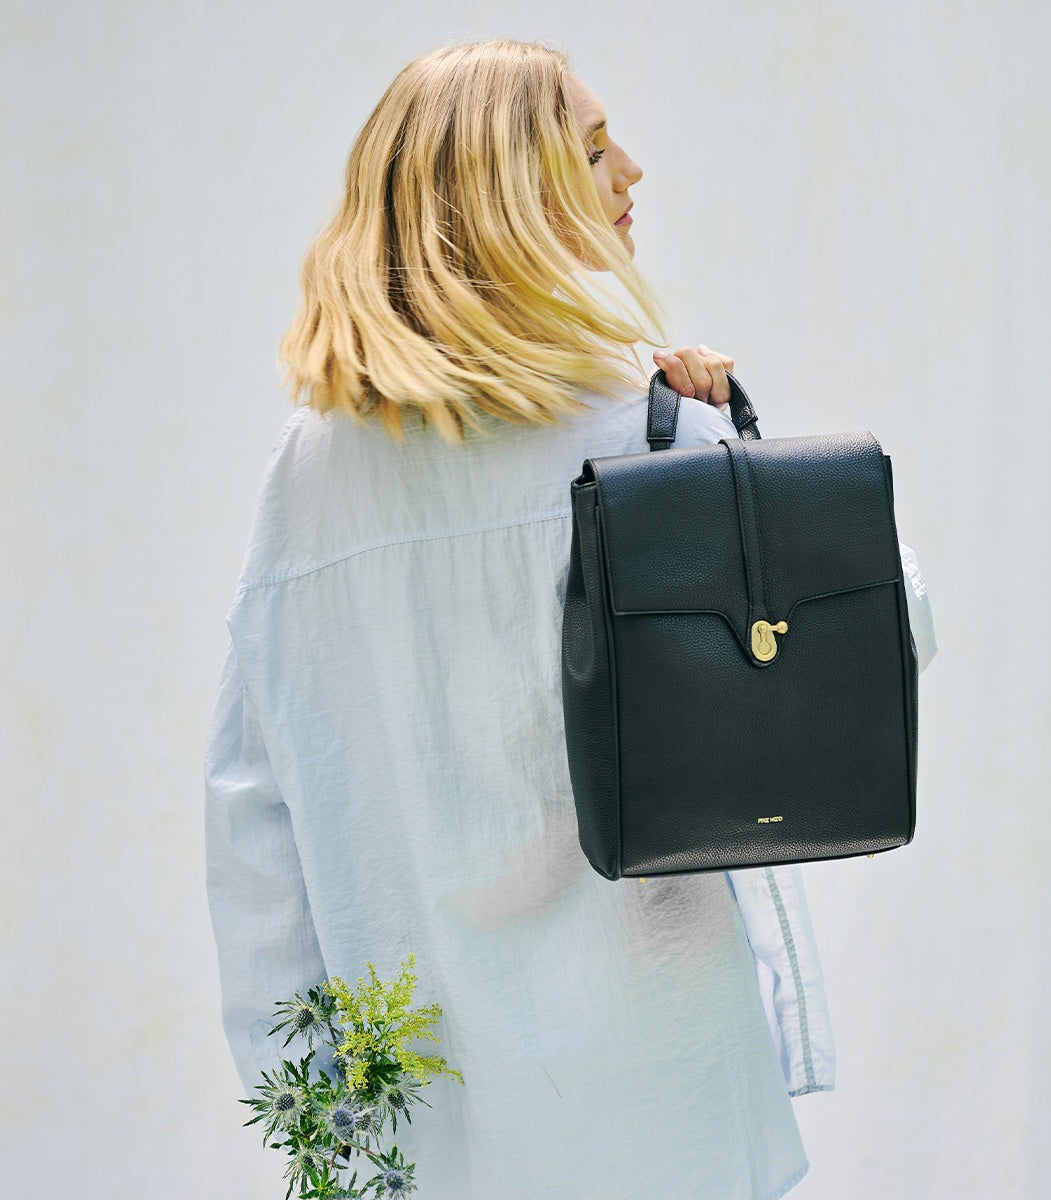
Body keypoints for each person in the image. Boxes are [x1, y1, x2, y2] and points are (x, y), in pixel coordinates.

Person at [204, 37, 937, 1200]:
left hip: (420, 1096)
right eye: (594, 151)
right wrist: (740, 463)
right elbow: (884, 637)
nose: (632, 170)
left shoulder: (310, 475)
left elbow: (253, 803)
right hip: (659, 1077)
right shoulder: (651, 433)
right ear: (513, 195)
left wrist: (313, 1110)